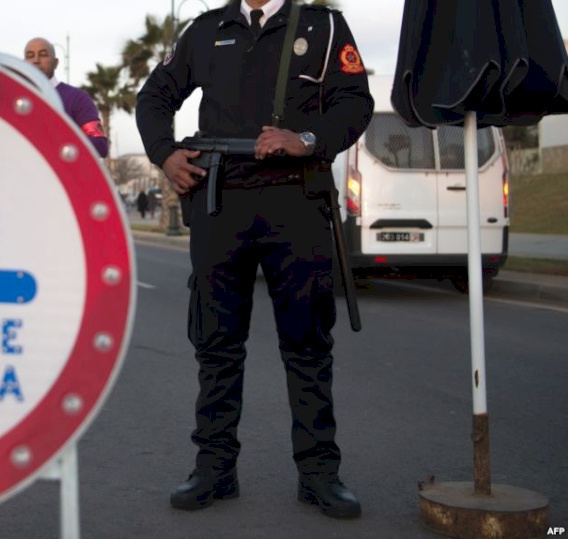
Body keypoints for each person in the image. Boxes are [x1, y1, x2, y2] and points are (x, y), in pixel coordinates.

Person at [135, 0, 373, 519]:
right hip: (221, 198)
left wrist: (308, 138)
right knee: (217, 343)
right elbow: (154, 98)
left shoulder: (323, 25)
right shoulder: (206, 30)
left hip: (296, 197)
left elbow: (354, 104)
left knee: (307, 344)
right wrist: (165, 153)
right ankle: (215, 468)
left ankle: (319, 474)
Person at [24, 37, 109, 158]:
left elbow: (100, 146)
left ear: (55, 63)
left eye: (43, 55)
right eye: (30, 55)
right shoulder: (15, 99)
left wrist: (57, 140)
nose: (36, 60)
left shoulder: (77, 98)